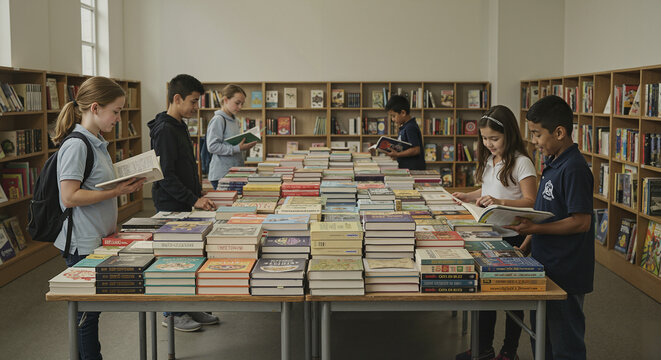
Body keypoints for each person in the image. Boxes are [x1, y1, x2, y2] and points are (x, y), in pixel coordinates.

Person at [54, 76, 145, 360]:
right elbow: (69, 196)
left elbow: (97, 187)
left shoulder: (97, 142)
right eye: (115, 111)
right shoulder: (76, 145)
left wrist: (122, 187)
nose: (118, 118)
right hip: (82, 243)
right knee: (86, 318)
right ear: (95, 108)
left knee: (91, 315)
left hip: (98, 238)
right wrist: (116, 191)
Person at [507, 95, 594, 360]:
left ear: (559, 132)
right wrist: (524, 246)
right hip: (545, 264)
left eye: (537, 134)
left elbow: (581, 222)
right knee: (542, 340)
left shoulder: (575, 168)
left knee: (565, 344)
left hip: (566, 271)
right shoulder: (552, 164)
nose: (533, 141)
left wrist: (534, 230)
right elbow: (546, 216)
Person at [453, 105, 537, 360]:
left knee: (513, 297)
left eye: (494, 138)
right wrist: (469, 195)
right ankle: (482, 347)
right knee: (483, 294)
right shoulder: (491, 160)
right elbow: (488, 189)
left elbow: (530, 201)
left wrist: (500, 204)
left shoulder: (522, 163)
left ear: (509, 135)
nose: (488, 143)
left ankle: (509, 351)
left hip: (515, 237)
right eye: (484, 138)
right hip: (489, 234)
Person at [148, 74, 218, 332]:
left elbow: (186, 166)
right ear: (176, 99)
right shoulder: (165, 130)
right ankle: (173, 312)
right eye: (193, 102)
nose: (196, 108)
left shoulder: (179, 125)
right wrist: (193, 199)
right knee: (173, 258)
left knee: (189, 254)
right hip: (171, 203)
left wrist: (198, 194)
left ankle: (187, 304)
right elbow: (165, 175)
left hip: (185, 201)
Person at [206, 84, 257, 189]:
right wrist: (237, 148)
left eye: (242, 104)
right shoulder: (218, 120)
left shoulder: (235, 120)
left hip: (235, 172)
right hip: (222, 175)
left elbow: (232, 143)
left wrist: (245, 144)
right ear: (225, 100)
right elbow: (212, 147)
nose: (240, 107)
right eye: (237, 103)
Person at [384, 94, 426, 170]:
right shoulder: (404, 127)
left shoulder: (410, 127)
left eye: (394, 116)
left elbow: (416, 149)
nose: (392, 119)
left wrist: (397, 154)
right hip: (406, 168)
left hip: (413, 170)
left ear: (403, 113)